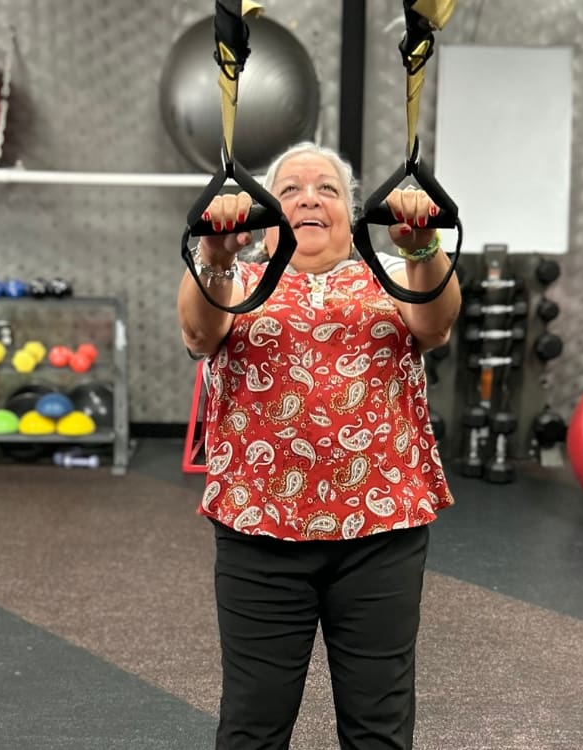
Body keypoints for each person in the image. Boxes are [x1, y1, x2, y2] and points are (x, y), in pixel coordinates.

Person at [177, 141, 461, 750]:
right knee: (254, 720)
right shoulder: (238, 278)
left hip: (381, 529)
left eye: (327, 189)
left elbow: (436, 325)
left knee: (378, 722)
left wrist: (424, 247)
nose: (309, 198)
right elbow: (200, 333)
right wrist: (214, 252)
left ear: (351, 211)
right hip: (261, 530)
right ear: (265, 213)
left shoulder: (391, 275)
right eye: (290, 189)